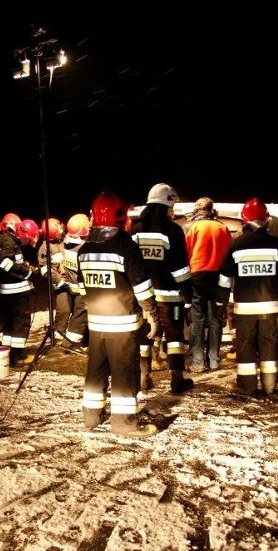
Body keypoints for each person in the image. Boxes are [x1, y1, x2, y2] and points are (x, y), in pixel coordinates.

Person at [77, 191, 159, 437]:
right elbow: (142, 287)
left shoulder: (85, 249)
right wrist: (153, 315)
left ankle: (91, 416)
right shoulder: (126, 247)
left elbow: (83, 290)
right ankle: (123, 423)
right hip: (122, 326)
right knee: (124, 373)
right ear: (121, 217)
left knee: (96, 370)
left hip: (96, 324)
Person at [216, 197, 278, 396]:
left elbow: (224, 278)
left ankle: (247, 385)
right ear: (266, 220)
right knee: (269, 342)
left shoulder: (237, 244)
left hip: (245, 307)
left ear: (244, 220)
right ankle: (269, 384)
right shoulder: (276, 244)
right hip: (270, 306)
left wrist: (221, 304)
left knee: (245, 344)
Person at [130, 182, 194, 394]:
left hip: (141, 297)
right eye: (171, 207)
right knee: (174, 336)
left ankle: (143, 377)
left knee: (145, 335)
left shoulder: (135, 230)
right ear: (165, 206)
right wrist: (187, 298)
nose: (172, 212)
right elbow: (181, 269)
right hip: (169, 297)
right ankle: (177, 379)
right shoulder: (173, 231)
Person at [0, 214, 38, 366]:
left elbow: (12, 262)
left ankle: (9, 354)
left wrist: (26, 267)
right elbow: (3, 263)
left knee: (10, 324)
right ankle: (18, 356)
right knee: (20, 323)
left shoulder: (7, 241)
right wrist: (25, 271)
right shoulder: (7, 241)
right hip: (14, 292)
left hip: (8, 292)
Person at [184, 197, 232, 372]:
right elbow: (228, 254)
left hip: (197, 277)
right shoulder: (222, 227)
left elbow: (186, 253)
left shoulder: (191, 227)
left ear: (197, 210)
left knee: (197, 319)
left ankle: (197, 362)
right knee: (215, 318)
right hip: (218, 278)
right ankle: (214, 360)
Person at [37, 217, 72, 340]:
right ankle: (58, 335)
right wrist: (59, 281)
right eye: (57, 232)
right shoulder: (45, 248)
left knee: (79, 308)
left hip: (72, 281)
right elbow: (44, 269)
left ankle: (76, 336)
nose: (61, 232)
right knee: (64, 309)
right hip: (60, 285)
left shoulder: (65, 242)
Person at [60, 213, 91, 347]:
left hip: (72, 286)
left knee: (79, 313)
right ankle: (69, 343)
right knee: (81, 314)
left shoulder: (67, 245)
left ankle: (84, 340)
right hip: (81, 289)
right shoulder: (83, 248)